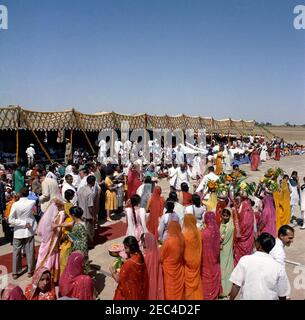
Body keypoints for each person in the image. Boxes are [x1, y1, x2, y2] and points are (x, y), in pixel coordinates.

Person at [229, 233, 290, 300]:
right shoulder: (278, 267)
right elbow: (282, 294)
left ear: (259, 245)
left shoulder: (245, 260)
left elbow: (236, 285)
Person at [8, 187, 37, 279]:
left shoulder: (15, 204)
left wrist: (22, 223)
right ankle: (30, 270)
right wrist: (26, 223)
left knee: (16, 252)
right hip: (29, 230)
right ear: (28, 193)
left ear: (20, 194)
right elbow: (34, 211)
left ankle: (15, 272)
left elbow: (11, 220)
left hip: (18, 231)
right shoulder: (32, 202)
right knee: (30, 251)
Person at [35, 200, 65, 283]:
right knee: (50, 258)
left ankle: (40, 275)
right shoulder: (59, 216)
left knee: (42, 256)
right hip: (52, 241)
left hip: (45, 241)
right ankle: (49, 277)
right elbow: (58, 228)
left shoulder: (47, 217)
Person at [160, 221, 185, 300]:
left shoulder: (168, 241)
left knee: (169, 288)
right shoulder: (182, 240)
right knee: (178, 289)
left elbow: (161, 257)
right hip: (179, 268)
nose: (167, 230)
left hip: (168, 270)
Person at [201, 212, 221, 300]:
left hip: (205, 259)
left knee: (206, 276)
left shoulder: (204, 233)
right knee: (213, 273)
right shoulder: (217, 231)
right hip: (215, 258)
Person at [182, 214, 203, 300]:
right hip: (197, 260)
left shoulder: (185, 235)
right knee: (196, 280)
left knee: (188, 282)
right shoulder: (198, 232)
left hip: (187, 262)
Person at [270, 225, 294, 292]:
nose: (292, 241)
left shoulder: (275, 243)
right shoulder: (279, 252)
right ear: (281, 236)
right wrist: (285, 292)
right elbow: (280, 273)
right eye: (290, 238)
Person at [233, 192, 255, 266]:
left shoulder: (245, 210)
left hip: (243, 237)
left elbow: (244, 225)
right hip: (248, 238)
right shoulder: (250, 209)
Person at [141, 233, 165, 300]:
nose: (142, 244)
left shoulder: (146, 256)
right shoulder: (157, 253)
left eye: (143, 242)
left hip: (148, 281)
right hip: (157, 279)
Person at [77, 175, 96, 248]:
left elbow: (78, 201)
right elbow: (90, 206)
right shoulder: (90, 192)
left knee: (83, 230)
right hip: (88, 215)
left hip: (80, 213)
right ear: (93, 182)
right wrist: (93, 216)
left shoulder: (81, 189)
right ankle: (89, 245)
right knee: (89, 232)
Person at [220, 208, 234, 297]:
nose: (224, 217)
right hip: (222, 249)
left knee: (225, 268)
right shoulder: (223, 223)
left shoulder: (230, 227)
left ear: (230, 216)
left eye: (226, 215)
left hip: (225, 249)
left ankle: (225, 290)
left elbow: (223, 239)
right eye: (223, 215)